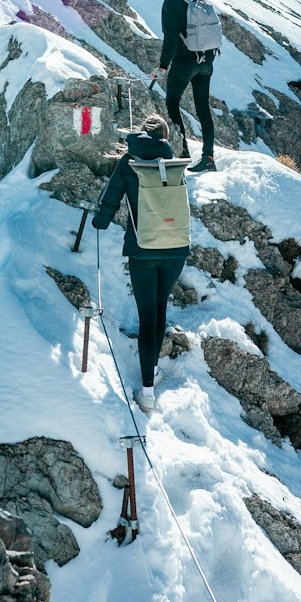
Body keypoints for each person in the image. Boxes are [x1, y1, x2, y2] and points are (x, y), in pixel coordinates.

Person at [92, 112, 189, 413]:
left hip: (143, 250)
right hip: (175, 249)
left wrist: (99, 221)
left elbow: (111, 198)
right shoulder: (173, 165)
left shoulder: (129, 162)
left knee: (147, 316)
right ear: (165, 137)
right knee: (160, 309)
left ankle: (147, 390)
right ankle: (154, 370)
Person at [156, 0, 217, 174]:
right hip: (206, 60)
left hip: (184, 62)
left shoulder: (172, 1)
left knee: (172, 102)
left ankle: (182, 154)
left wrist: (163, 66)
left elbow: (170, 37)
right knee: (203, 107)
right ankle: (208, 158)